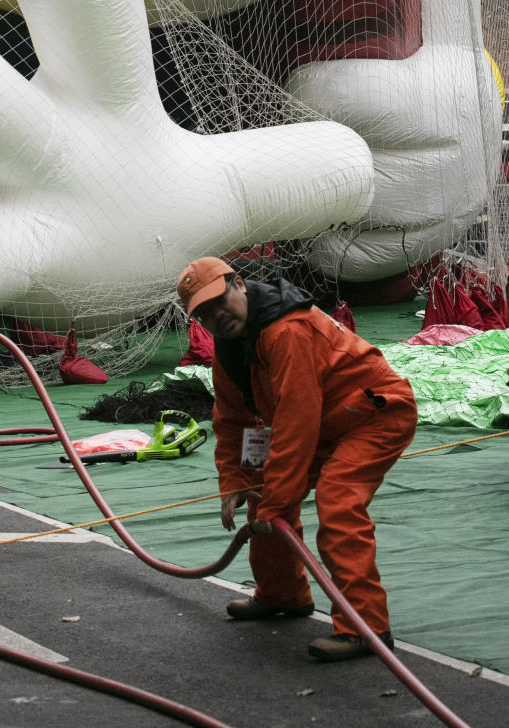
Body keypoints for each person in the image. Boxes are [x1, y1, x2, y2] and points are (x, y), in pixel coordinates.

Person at [177, 256, 417, 664]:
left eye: (219, 302)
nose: (216, 317)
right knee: (261, 492)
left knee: (338, 500)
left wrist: (277, 500)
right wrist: (235, 481)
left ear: (239, 285)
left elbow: (295, 418)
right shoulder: (229, 350)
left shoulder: (286, 330)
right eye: (203, 314)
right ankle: (282, 595)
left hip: (373, 415)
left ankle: (366, 627)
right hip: (325, 421)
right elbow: (232, 419)